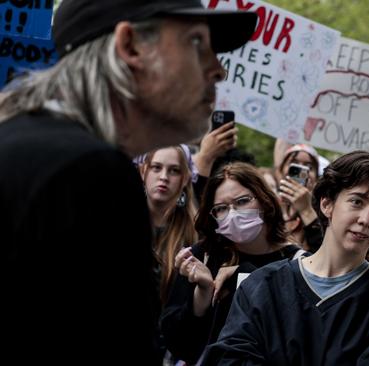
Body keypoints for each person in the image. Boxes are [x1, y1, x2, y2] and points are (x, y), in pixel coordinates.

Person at [0, 0, 257, 362]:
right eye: (198, 43)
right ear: (131, 46)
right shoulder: (89, 172)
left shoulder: (27, 146)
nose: (218, 70)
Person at [203, 151, 369, 365]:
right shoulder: (263, 287)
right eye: (357, 202)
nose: (367, 219)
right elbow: (231, 357)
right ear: (327, 204)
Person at [161, 162, 302, 364]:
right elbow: (179, 344)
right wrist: (202, 294)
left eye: (242, 201)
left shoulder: (295, 260)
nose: (233, 213)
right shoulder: (201, 256)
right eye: (221, 208)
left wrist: (245, 274)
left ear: (264, 200)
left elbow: (291, 332)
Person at [139, 145, 199, 304]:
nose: (164, 177)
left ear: (185, 178)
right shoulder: (119, 220)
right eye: (156, 168)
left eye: (174, 170)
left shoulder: (195, 232)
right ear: (143, 171)